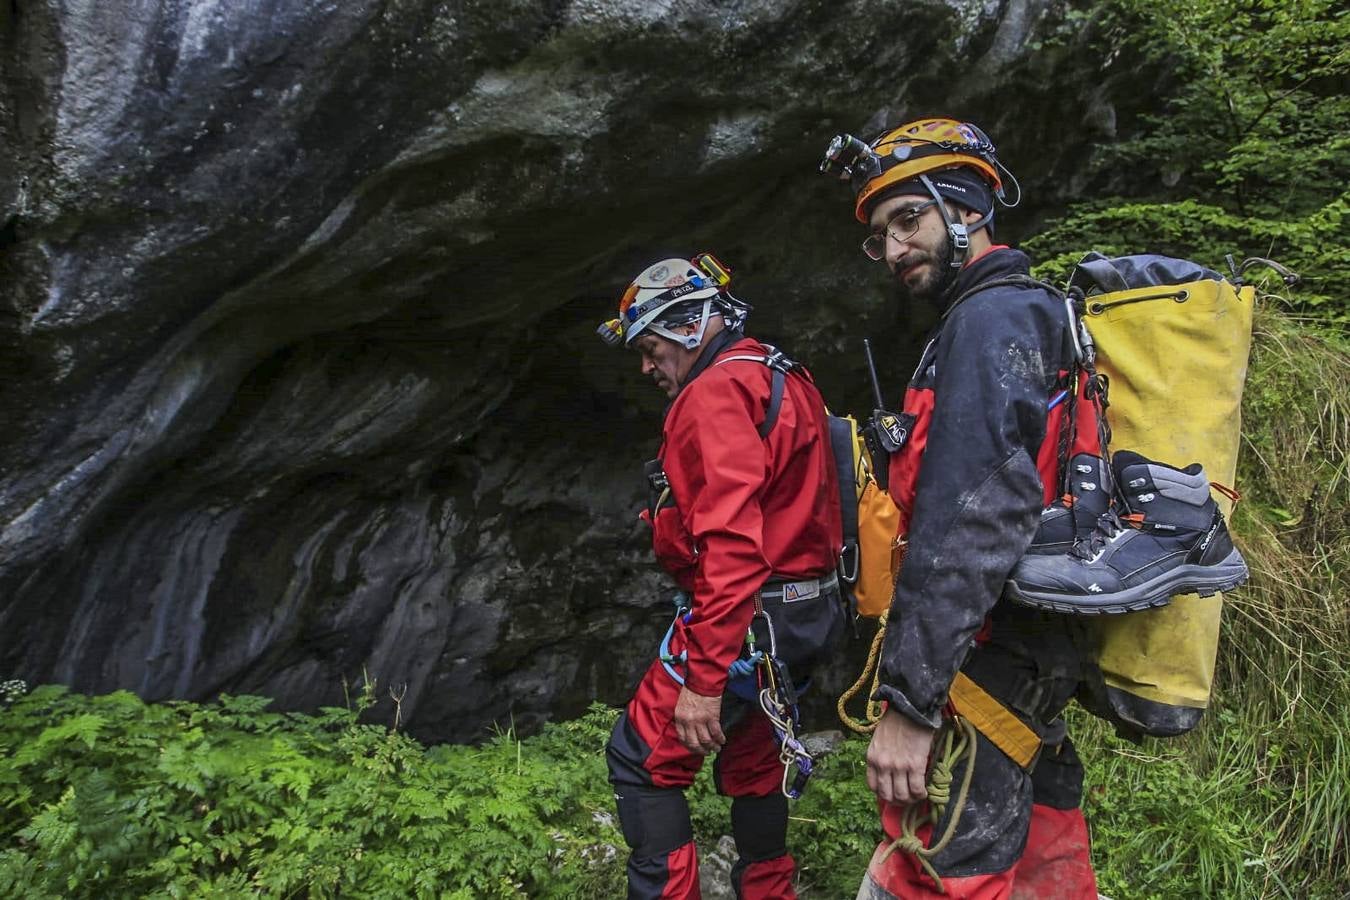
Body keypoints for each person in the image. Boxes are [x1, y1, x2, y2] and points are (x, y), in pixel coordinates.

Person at [819, 118, 1102, 898]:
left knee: (937, 871)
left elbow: (972, 516)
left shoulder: (989, 321)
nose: (895, 247)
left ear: (969, 207)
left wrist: (910, 703)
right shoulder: (1025, 313)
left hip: (981, 664)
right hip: (1029, 653)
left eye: (908, 218)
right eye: (880, 236)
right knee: (1046, 857)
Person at [598, 254, 845, 900]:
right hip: (805, 616)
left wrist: (703, 682)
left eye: (651, 349)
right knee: (755, 762)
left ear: (687, 327)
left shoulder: (711, 396)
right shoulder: (782, 373)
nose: (647, 368)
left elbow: (734, 548)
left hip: (745, 622)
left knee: (641, 760)